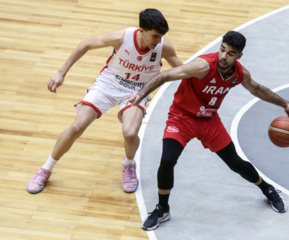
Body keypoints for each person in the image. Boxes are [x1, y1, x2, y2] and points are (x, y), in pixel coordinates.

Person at [126, 30, 289, 230]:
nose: (224, 56)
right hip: (182, 117)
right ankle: (162, 209)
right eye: (222, 50)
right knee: (167, 159)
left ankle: (268, 189)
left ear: (239, 56)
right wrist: (139, 95)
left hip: (209, 120)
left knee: (235, 163)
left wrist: (284, 104)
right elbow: (165, 75)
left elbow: (257, 89)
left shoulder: (239, 73)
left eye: (230, 53)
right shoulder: (202, 66)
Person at [26, 8, 182, 194]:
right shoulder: (121, 38)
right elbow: (85, 44)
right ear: (141, 31)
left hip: (136, 91)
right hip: (107, 84)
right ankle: (46, 169)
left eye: (160, 36)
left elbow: (181, 70)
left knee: (130, 133)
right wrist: (61, 72)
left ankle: (128, 165)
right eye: (155, 36)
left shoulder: (163, 47)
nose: (158, 41)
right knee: (77, 127)